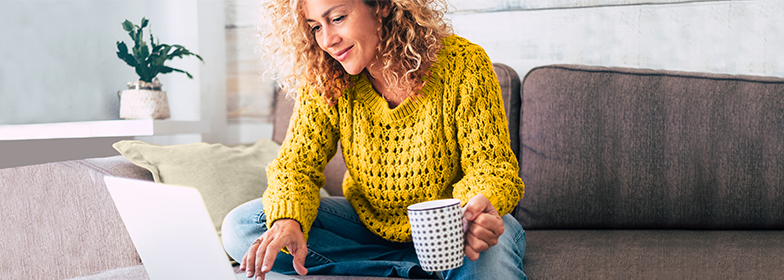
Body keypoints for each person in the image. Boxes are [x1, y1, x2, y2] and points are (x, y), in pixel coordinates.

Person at [221, 0, 526, 279]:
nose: (327, 40)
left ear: (381, 5)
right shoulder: (328, 78)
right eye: (315, 27)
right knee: (244, 226)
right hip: (369, 226)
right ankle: (413, 268)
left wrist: (470, 214)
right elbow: (295, 167)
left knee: (490, 250)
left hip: (450, 228)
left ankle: (423, 262)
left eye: (338, 18)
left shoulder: (464, 64)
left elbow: (492, 168)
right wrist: (288, 220)